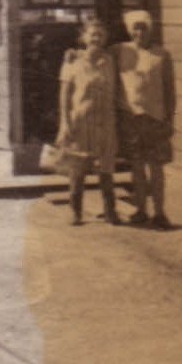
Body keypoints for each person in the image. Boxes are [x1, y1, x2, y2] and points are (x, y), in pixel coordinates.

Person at [56, 16, 120, 225]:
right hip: (80, 122)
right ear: (84, 37)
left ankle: (110, 211)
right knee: (78, 170)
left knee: (106, 169)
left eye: (101, 35)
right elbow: (64, 96)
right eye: (93, 34)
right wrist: (65, 124)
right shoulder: (72, 63)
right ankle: (75, 212)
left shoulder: (110, 60)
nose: (97, 38)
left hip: (105, 122)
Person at [114, 9, 176, 229]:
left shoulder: (162, 55)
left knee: (156, 167)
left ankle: (159, 212)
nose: (139, 33)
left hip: (155, 118)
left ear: (150, 30)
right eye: (135, 28)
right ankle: (141, 210)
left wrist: (169, 119)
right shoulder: (120, 51)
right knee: (137, 167)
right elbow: (95, 56)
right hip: (131, 118)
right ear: (130, 31)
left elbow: (170, 90)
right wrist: (74, 54)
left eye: (143, 28)